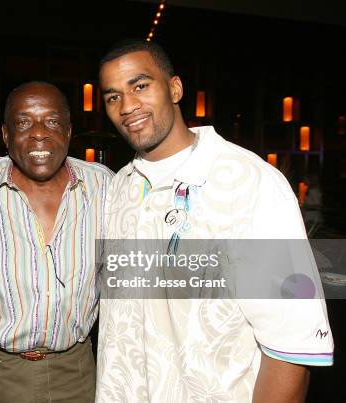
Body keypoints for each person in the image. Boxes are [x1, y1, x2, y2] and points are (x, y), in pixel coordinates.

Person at [95, 39, 333, 402]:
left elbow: (292, 344)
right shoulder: (119, 188)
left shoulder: (249, 181)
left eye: (140, 85)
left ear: (175, 88)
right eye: (113, 97)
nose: (127, 106)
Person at [0, 81, 113, 403]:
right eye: (23, 122)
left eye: (52, 121)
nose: (38, 133)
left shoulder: (103, 185)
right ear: (6, 136)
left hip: (79, 369)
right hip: (0, 370)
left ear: (69, 132)